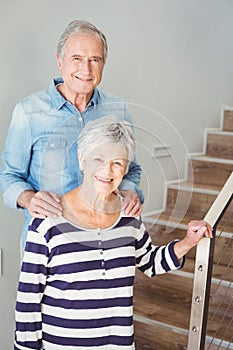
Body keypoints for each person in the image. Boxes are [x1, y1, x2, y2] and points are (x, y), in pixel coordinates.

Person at [14, 116, 212, 350]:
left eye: (117, 163)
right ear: (82, 159)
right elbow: (28, 299)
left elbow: (149, 262)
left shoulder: (129, 216)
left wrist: (188, 241)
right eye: (98, 159)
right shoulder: (47, 222)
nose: (106, 171)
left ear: (126, 168)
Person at [0, 20, 143, 247]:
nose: (86, 70)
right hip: (47, 244)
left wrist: (129, 191)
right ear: (60, 62)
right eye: (77, 59)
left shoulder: (118, 109)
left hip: (103, 241)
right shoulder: (29, 112)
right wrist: (29, 199)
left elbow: (131, 169)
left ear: (103, 64)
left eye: (94, 60)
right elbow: (8, 176)